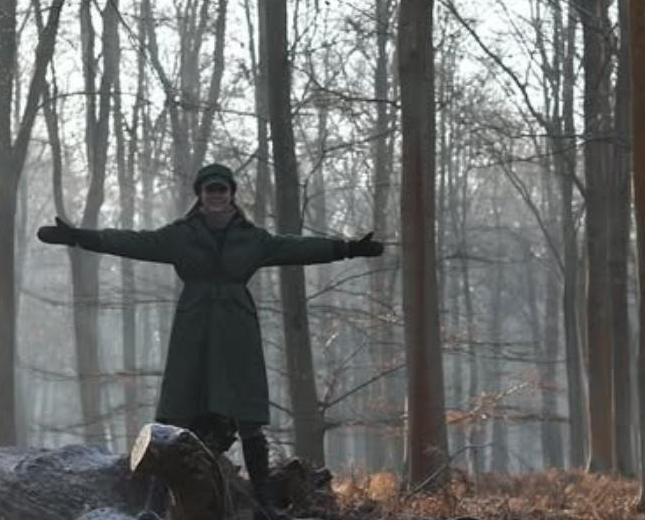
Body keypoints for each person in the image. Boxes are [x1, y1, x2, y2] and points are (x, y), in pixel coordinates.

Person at [36, 162, 384, 501]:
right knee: (177, 413)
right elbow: (131, 242)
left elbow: (296, 247)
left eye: (222, 189)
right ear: (200, 195)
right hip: (194, 329)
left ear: (232, 194)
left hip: (237, 331)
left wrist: (348, 248)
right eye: (209, 190)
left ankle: (263, 501)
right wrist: (79, 238)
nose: (216, 195)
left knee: (247, 416)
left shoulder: (252, 239)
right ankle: (155, 503)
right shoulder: (180, 235)